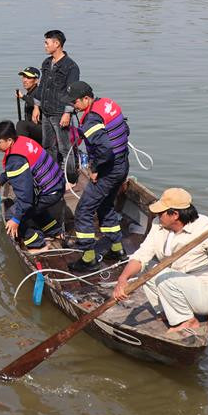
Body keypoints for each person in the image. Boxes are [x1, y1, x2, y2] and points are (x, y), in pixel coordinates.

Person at [112, 188, 208, 334]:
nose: (157, 215)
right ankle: (166, 312)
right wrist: (122, 279)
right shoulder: (159, 224)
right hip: (175, 286)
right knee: (147, 270)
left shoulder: (204, 227)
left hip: (205, 296)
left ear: (175, 214)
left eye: (161, 213)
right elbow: (142, 255)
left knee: (165, 276)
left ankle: (188, 320)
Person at [66, 81, 130, 273]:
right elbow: (125, 131)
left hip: (109, 170)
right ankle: (117, 250)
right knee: (105, 206)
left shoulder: (91, 120)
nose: (74, 106)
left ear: (86, 98)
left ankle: (88, 259)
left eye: (75, 102)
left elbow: (106, 150)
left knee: (83, 211)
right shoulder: (107, 104)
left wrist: (95, 169)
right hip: (123, 165)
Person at [0, 121, 65, 253]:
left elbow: (25, 197)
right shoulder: (23, 140)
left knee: (13, 214)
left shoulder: (15, 159)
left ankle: (38, 244)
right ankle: (55, 232)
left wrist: (16, 219)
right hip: (58, 183)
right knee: (33, 207)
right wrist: (3, 178)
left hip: (49, 192)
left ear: (9, 140)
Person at [32, 30, 80, 175]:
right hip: (46, 112)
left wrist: (67, 113)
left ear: (57, 44)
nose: (45, 46)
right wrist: (36, 106)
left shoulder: (71, 66)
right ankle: (52, 174)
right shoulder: (46, 63)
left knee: (64, 147)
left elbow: (73, 92)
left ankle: (70, 178)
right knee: (47, 145)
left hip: (60, 113)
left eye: (47, 42)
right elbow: (42, 87)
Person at [15, 66, 42, 145]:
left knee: (21, 124)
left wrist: (23, 97)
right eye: (24, 77)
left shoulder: (39, 92)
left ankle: (21, 149)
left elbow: (40, 103)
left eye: (28, 77)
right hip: (33, 129)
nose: (25, 80)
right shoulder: (30, 93)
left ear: (36, 80)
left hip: (43, 130)